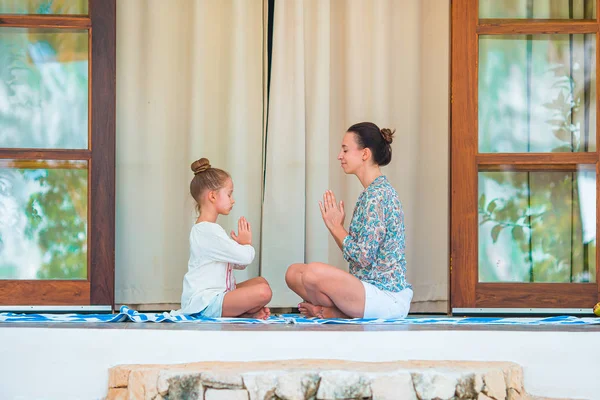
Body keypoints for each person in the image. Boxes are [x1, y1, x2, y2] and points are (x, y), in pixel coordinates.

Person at [285, 122, 413, 319]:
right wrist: (336, 228)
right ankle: (335, 311)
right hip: (365, 291)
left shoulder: (377, 196)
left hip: (385, 297)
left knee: (312, 273)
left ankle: (334, 312)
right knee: (294, 273)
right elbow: (357, 257)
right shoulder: (371, 192)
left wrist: (337, 228)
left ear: (365, 154)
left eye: (345, 150)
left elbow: (363, 257)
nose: (339, 156)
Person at [178, 158, 272, 319]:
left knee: (260, 282)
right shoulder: (207, 231)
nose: (232, 199)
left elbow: (239, 264)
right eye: (229, 194)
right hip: (204, 303)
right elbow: (246, 257)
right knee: (263, 292)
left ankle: (242, 313)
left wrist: (238, 246)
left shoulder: (208, 229)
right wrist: (246, 244)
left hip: (218, 295)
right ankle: (242, 314)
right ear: (213, 196)